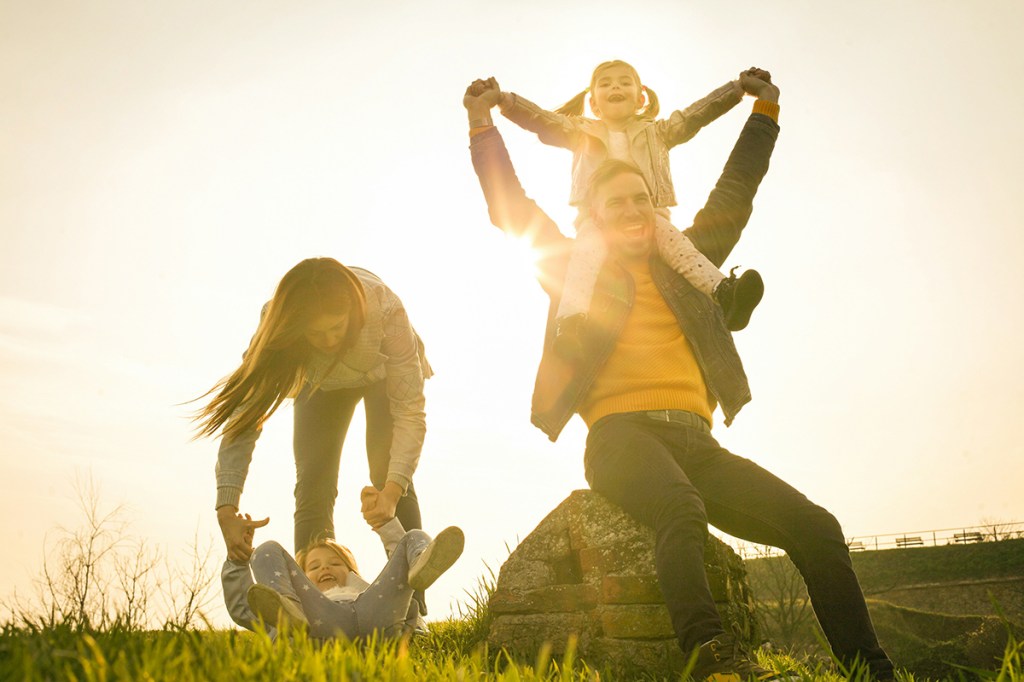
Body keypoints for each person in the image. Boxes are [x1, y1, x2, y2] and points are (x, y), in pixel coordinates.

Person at [464, 74, 895, 680]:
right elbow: (509, 205)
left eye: (641, 199)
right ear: (595, 214)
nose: (632, 210)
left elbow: (736, 189)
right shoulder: (573, 270)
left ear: (655, 205)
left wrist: (765, 112)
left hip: (698, 445)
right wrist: (481, 124)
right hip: (621, 438)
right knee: (680, 508)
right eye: (616, 202)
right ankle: (712, 659)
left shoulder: (689, 263)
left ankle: (871, 669)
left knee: (817, 528)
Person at [491, 60, 765, 360]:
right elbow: (542, 120)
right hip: (596, 220)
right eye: (606, 83)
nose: (615, 87)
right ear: (594, 104)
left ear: (640, 97)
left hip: (650, 219)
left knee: (682, 250)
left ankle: (724, 293)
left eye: (624, 82)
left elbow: (697, 114)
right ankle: (570, 324)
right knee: (583, 260)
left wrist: (738, 88)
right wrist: (504, 100)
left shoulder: (658, 132)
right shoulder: (580, 131)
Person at [194, 258, 432, 602]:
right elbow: (244, 416)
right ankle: (318, 609)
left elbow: (410, 411)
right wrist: (226, 509)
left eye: (337, 327)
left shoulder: (385, 308)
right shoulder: (276, 326)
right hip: (319, 383)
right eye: (316, 333)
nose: (330, 339)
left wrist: (393, 491)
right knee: (313, 482)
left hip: (384, 374)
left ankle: (412, 610)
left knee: (388, 474)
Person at [221, 508, 464, 640]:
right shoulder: (302, 601)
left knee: (413, 536)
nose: (324, 568)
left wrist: (418, 631)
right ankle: (288, 608)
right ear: (300, 577)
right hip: (313, 622)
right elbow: (245, 609)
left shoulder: (368, 591)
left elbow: (404, 605)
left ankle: (421, 565)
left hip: (375, 615)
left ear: (351, 571)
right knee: (265, 550)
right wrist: (238, 561)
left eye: (335, 563)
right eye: (314, 567)